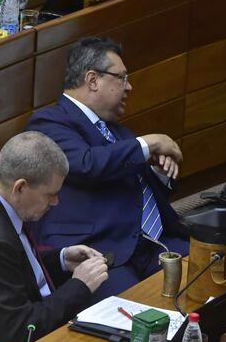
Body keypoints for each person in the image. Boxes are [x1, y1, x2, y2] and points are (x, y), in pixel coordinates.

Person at [25, 37, 187, 301]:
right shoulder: (49, 122)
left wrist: (159, 172)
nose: (129, 86)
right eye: (122, 77)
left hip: (149, 244)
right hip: (98, 251)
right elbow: (86, 164)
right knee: (139, 316)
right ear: (92, 79)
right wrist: (149, 143)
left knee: (209, 276)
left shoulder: (117, 131)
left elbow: (137, 188)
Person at [0, 131, 108, 342]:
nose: (56, 202)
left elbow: (14, 266)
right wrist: (79, 286)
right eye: (50, 194)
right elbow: (21, 331)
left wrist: (61, 259)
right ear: (20, 187)